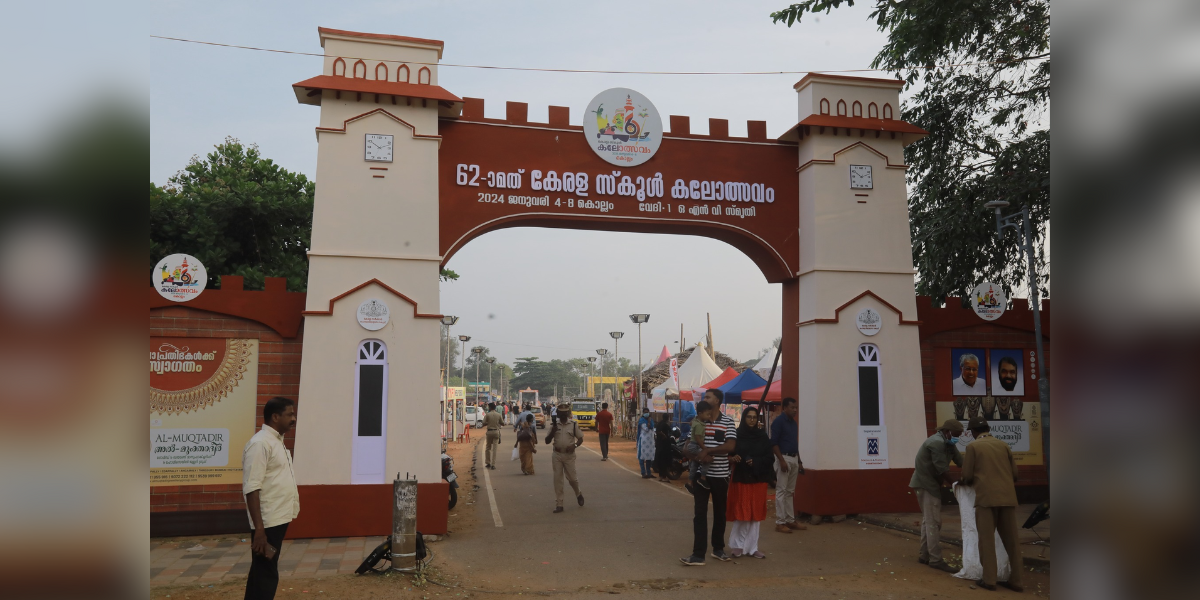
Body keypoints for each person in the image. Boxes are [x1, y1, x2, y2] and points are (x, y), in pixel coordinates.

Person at [242, 397, 300, 600]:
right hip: (267, 521)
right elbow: (251, 487)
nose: (294, 419)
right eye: (289, 415)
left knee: (262, 572)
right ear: (275, 417)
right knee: (266, 574)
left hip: (278, 517)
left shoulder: (277, 442)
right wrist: (259, 529)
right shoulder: (260, 444)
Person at [960, 416, 1023, 592]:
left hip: (986, 500)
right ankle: (1017, 581)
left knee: (986, 540)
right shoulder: (1003, 445)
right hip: (1008, 498)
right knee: (1012, 542)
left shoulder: (973, 447)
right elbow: (1015, 475)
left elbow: (967, 476)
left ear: (972, 432)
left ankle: (989, 580)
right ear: (988, 428)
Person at [681, 388, 736, 566]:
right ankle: (698, 554)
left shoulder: (728, 421)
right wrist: (698, 456)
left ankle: (718, 549)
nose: (705, 399)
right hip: (700, 476)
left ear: (718, 401)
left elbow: (730, 446)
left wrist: (708, 451)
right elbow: (687, 447)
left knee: (720, 513)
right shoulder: (697, 422)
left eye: (708, 397)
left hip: (720, 475)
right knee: (699, 514)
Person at [909, 419, 965, 573]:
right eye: (955, 434)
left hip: (929, 484)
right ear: (947, 431)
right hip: (925, 484)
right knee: (934, 522)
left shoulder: (948, 443)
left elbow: (961, 462)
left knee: (929, 521)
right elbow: (942, 469)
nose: (957, 438)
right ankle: (935, 559)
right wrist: (955, 485)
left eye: (959, 435)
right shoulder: (936, 443)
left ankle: (925, 555)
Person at [727, 406, 775, 558]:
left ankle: (752, 547)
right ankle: (737, 545)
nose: (752, 420)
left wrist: (756, 461)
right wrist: (734, 458)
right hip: (742, 477)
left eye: (755, 417)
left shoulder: (762, 436)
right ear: (744, 418)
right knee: (742, 512)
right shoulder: (737, 435)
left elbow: (770, 458)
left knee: (755, 515)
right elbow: (729, 454)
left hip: (758, 478)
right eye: (749, 417)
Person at [770, 396, 807, 533]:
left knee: (790, 492)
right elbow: (773, 443)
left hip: (794, 458)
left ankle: (790, 520)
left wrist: (800, 461)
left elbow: (794, 443)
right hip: (783, 458)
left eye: (796, 407)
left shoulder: (793, 423)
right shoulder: (778, 422)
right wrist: (781, 460)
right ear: (785, 408)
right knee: (781, 491)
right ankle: (780, 522)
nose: (795, 410)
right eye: (792, 407)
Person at [545, 401, 584, 513]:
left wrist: (575, 445)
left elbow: (580, 438)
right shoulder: (554, 425)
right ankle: (559, 504)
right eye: (560, 413)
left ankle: (578, 493)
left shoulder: (573, 425)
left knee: (572, 478)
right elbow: (547, 441)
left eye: (564, 413)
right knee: (558, 480)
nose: (562, 415)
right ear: (557, 413)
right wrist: (553, 431)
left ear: (568, 413)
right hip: (557, 454)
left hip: (569, 455)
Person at [684, 400, 715, 494]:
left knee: (694, 464)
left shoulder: (697, 420)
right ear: (700, 413)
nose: (709, 416)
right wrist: (705, 449)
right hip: (695, 445)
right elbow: (698, 438)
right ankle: (703, 477)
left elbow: (694, 421)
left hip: (692, 446)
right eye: (708, 414)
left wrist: (708, 419)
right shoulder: (699, 425)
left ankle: (689, 482)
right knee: (707, 459)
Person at [636, 408, 656, 478]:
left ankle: (649, 473)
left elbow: (652, 427)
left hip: (650, 442)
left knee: (649, 458)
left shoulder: (651, 420)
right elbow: (646, 429)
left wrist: (650, 422)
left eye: (647, 412)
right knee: (642, 457)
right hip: (643, 441)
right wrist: (649, 422)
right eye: (645, 412)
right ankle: (643, 472)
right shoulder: (642, 420)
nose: (646, 413)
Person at [483, 402, 503, 470]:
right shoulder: (499, 415)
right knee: (495, 449)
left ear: (490, 408)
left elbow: (483, 423)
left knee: (488, 447)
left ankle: (488, 462)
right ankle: (493, 464)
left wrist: (488, 423)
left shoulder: (487, 415)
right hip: (496, 432)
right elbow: (502, 423)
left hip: (489, 432)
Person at [654, 413, 673, 482]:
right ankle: (664, 477)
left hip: (659, 445)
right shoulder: (664, 424)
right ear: (667, 418)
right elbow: (659, 431)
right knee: (664, 461)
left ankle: (661, 476)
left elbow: (657, 431)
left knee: (660, 460)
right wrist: (664, 435)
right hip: (664, 445)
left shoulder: (659, 423)